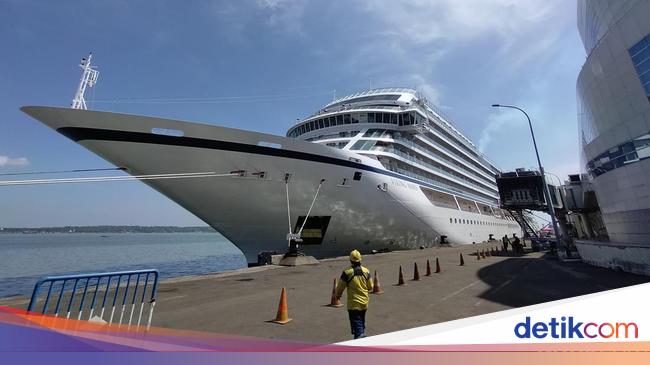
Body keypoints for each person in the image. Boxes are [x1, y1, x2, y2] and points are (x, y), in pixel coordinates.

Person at [335, 249, 373, 339]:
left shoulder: (347, 272)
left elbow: (340, 286)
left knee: (357, 325)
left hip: (353, 304)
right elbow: (371, 286)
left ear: (350, 260)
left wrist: (338, 295)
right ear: (360, 259)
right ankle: (359, 335)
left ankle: (360, 340)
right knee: (361, 322)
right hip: (364, 302)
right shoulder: (366, 271)